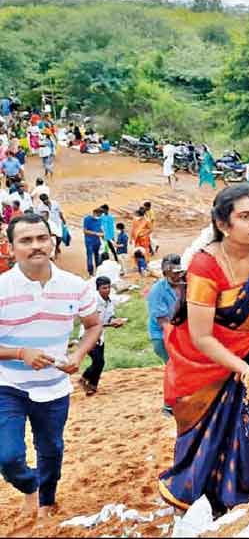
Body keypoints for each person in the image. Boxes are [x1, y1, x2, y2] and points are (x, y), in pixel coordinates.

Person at [158, 184, 249, 514]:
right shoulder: (206, 266)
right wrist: (245, 371)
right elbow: (202, 336)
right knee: (204, 436)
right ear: (222, 224)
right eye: (244, 217)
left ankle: (245, 496)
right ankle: (199, 498)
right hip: (201, 362)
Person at [0, 213, 101, 520]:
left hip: (55, 388)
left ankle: (46, 501)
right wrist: (20, 352)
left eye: (42, 238)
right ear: (10, 247)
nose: (36, 246)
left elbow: (94, 326)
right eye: (26, 240)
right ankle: (30, 486)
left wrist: (78, 355)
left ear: (53, 242)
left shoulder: (76, 286)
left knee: (51, 450)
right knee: (8, 457)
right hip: (8, 385)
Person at [77, 276, 127, 395]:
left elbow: (110, 317)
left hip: (100, 336)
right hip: (88, 335)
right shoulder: (93, 301)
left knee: (100, 362)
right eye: (104, 288)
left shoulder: (109, 302)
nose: (107, 290)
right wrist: (111, 324)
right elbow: (92, 322)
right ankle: (84, 379)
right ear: (98, 289)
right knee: (99, 361)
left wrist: (115, 321)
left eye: (109, 287)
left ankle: (93, 385)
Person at [146, 254, 184, 365]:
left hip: (180, 334)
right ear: (164, 274)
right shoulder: (157, 291)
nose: (177, 277)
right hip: (163, 337)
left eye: (178, 273)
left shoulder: (185, 285)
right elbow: (163, 322)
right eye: (173, 276)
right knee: (175, 366)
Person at [34, 194, 65, 260]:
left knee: (59, 237)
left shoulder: (55, 203)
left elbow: (60, 212)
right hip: (49, 223)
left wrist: (63, 220)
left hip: (57, 222)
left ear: (48, 198)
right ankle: (52, 252)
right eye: (44, 201)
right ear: (42, 201)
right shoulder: (40, 207)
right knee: (52, 237)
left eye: (46, 200)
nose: (45, 201)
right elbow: (40, 217)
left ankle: (57, 247)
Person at [82, 208, 104, 276]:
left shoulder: (100, 219)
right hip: (89, 241)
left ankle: (98, 271)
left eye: (100, 215)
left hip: (97, 241)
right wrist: (96, 233)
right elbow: (85, 231)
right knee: (90, 256)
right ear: (94, 213)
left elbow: (99, 228)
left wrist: (103, 234)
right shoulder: (87, 219)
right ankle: (90, 273)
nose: (99, 216)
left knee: (97, 256)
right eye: (98, 214)